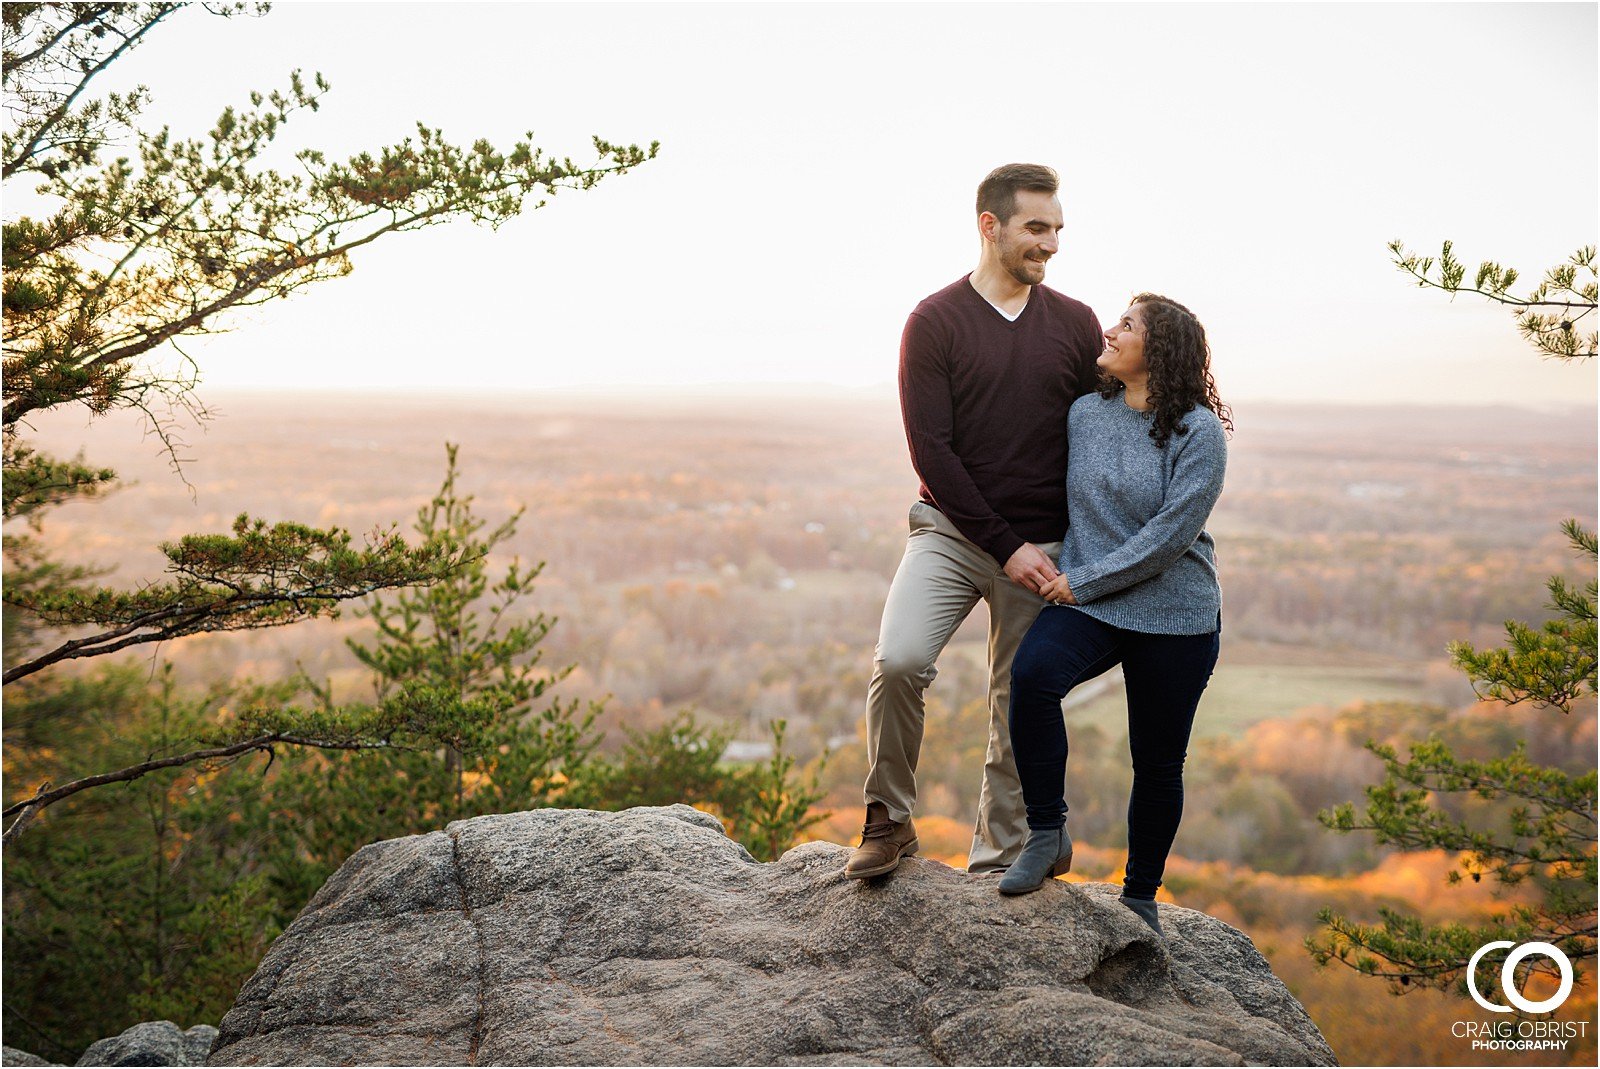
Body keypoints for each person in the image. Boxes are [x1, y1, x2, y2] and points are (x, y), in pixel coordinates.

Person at [845, 164, 1104, 879]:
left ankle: (998, 860)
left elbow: (1103, 435)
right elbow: (932, 448)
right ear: (990, 226)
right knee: (898, 661)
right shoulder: (936, 321)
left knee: (1016, 700)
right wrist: (1004, 545)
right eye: (1036, 228)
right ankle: (889, 820)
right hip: (952, 533)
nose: (1050, 244)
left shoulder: (1076, 324)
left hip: (1047, 546)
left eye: (1056, 229)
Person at [996, 294, 1233, 939]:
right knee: (1034, 676)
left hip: (1174, 612)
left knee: (1157, 760)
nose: (1111, 331)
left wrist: (1085, 581)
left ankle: (1141, 895)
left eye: (1128, 326)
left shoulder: (1199, 431)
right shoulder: (1085, 414)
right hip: (1096, 603)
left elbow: (1171, 534)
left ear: (1161, 352)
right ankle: (1047, 833)